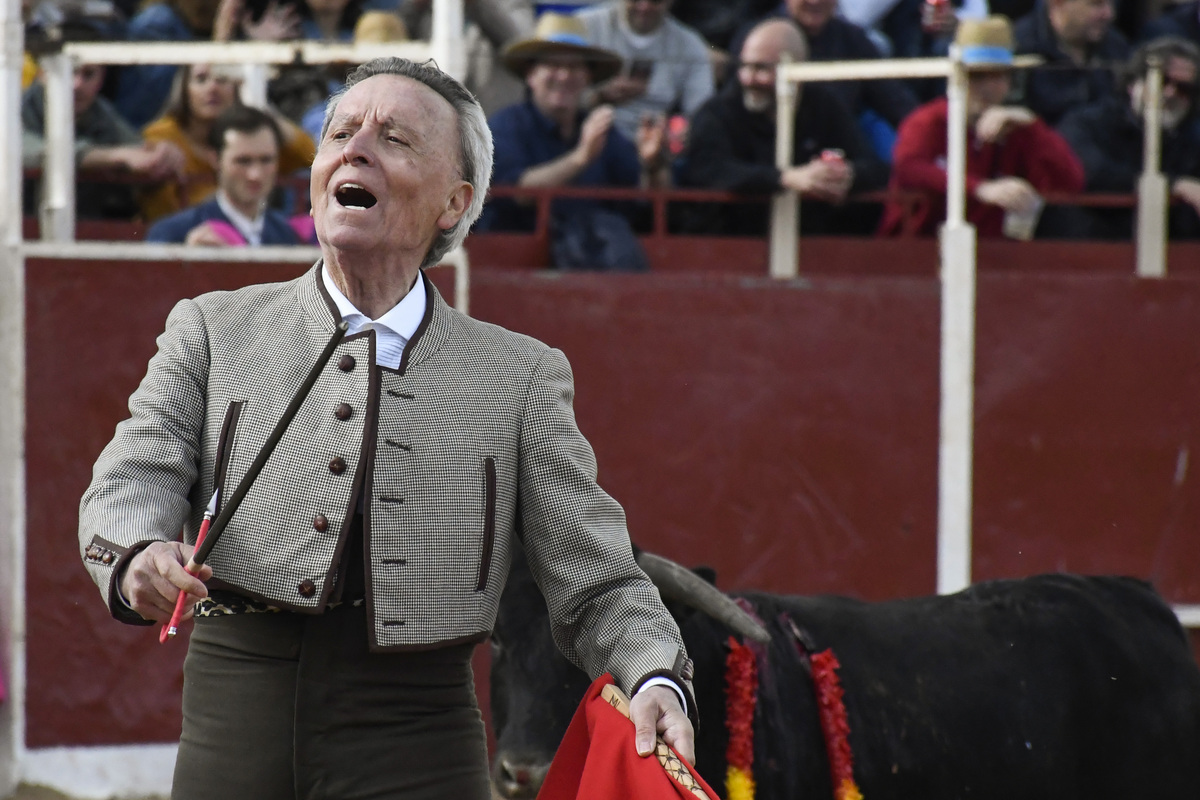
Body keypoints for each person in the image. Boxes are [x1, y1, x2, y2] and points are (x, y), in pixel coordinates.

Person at [78, 56, 696, 799]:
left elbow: (596, 578)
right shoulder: (213, 328)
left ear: (453, 201)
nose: (354, 147)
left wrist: (656, 673)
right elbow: (132, 476)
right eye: (341, 131)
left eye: (395, 138)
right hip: (235, 718)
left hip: (419, 736)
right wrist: (139, 553)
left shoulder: (518, 375)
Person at [478, 13, 670, 268]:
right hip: (520, 267)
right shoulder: (506, 126)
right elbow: (518, 191)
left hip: (601, 265)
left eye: (575, 67)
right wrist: (582, 157)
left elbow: (641, 198)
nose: (564, 76)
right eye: (553, 65)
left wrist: (652, 164)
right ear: (531, 75)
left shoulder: (603, 131)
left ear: (588, 78)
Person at [878, 15, 1085, 237]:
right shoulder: (928, 121)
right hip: (917, 251)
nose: (987, 88)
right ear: (955, 79)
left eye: (997, 77)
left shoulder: (1018, 129)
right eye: (977, 77)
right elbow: (909, 168)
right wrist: (980, 189)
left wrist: (1032, 125)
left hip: (996, 256)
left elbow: (1071, 181)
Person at [681, 18, 890, 236]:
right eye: (744, 66)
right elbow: (707, 170)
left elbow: (874, 167)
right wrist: (787, 178)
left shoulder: (822, 105)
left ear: (795, 71)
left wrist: (844, 175)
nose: (748, 79)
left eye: (761, 68)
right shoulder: (718, 112)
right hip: (732, 241)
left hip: (812, 245)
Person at [727, 0, 919, 159]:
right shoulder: (755, 40)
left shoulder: (852, 40)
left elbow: (895, 101)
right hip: (767, 159)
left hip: (839, 160)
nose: (815, 1)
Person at [1056, 36, 1200, 239]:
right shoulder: (1087, 124)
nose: (1170, 93)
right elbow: (1090, 173)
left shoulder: (1191, 140)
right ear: (1133, 83)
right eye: (1163, 81)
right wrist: (1174, 185)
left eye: (1183, 89)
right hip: (1092, 248)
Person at [139, 62, 316, 222]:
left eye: (222, 79)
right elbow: (165, 214)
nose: (212, 88)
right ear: (184, 88)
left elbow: (309, 155)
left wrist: (260, 108)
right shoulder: (162, 135)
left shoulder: (252, 140)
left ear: (237, 88)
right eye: (201, 79)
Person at [22, 59, 185, 220]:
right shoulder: (13, 106)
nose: (77, 84)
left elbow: (135, 151)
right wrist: (113, 156)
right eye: (70, 72)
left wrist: (160, 154)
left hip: (82, 232)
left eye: (89, 74)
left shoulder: (100, 112)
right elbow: (32, 152)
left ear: (102, 79)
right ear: (42, 74)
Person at [146, 106, 314, 245]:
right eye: (243, 161)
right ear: (215, 160)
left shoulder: (288, 236)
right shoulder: (173, 233)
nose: (255, 175)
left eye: (266, 160)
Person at [575, 0, 716, 142]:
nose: (644, 7)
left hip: (654, 140)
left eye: (656, 1)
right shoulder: (583, 25)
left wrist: (680, 132)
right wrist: (599, 97)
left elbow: (703, 114)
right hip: (587, 134)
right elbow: (556, 99)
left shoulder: (690, 45)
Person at [1012, 0, 1131, 126]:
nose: (1109, 14)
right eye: (1096, 4)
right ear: (1058, 3)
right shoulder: (1020, 49)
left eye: (1110, 4)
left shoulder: (1116, 48)